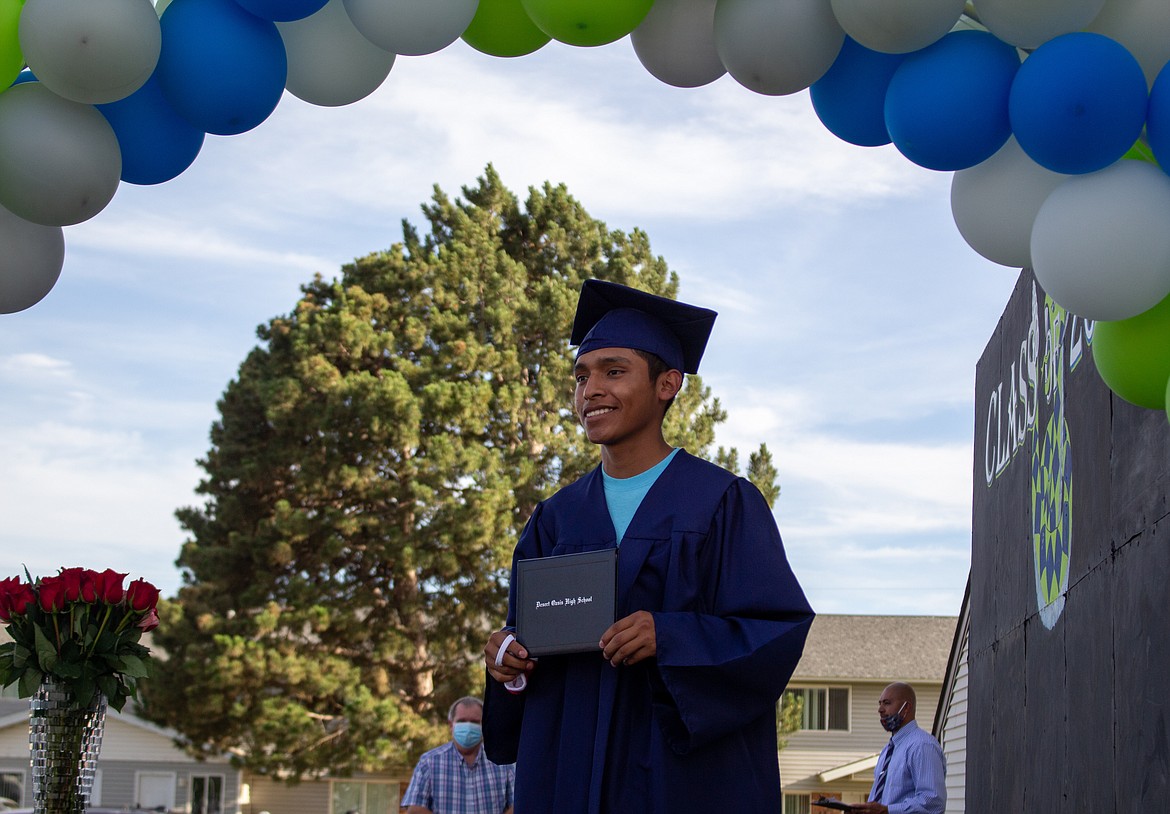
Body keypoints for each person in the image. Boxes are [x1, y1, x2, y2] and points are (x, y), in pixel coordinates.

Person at [481, 279, 815, 814]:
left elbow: (776, 631)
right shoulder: (556, 518)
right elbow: (528, 641)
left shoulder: (722, 502)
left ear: (668, 384)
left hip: (678, 779)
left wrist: (672, 635)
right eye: (581, 376)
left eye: (614, 371)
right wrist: (509, 665)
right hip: (568, 779)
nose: (590, 390)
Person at [400, 696, 514, 814]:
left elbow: (519, 805)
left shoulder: (503, 762)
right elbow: (415, 809)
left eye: (475, 722)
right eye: (462, 721)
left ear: (485, 725)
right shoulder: (429, 762)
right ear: (451, 725)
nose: (468, 726)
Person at [849, 682, 946, 814]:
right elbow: (879, 804)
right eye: (880, 703)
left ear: (906, 708)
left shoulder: (922, 746)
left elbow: (933, 802)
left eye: (887, 703)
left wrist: (888, 811)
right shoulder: (887, 751)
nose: (880, 709)